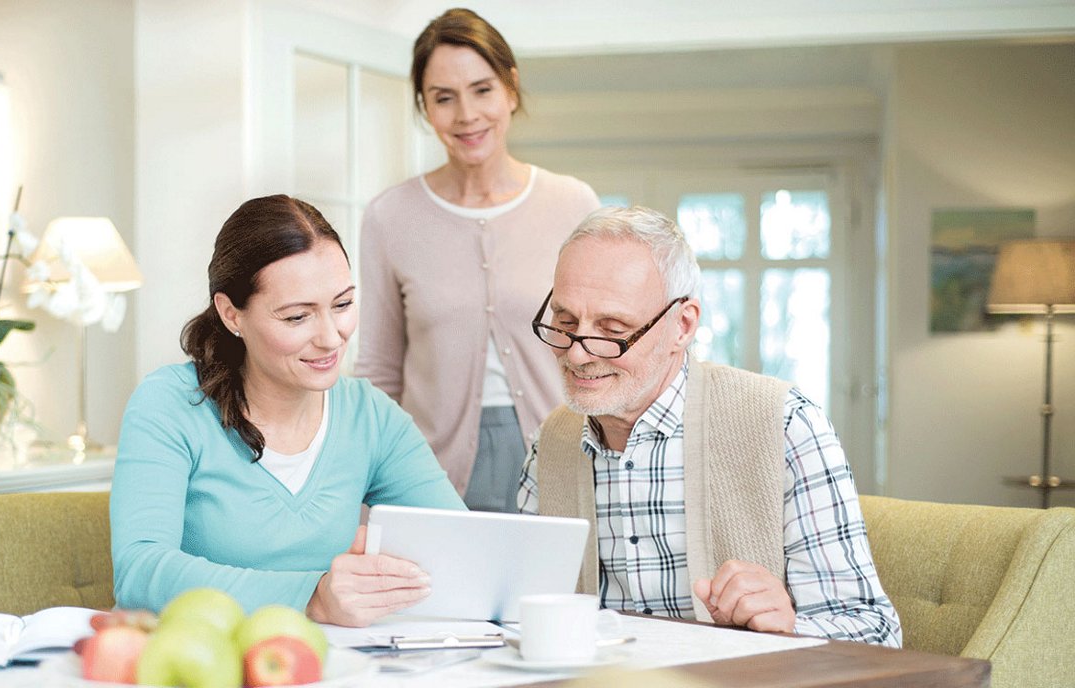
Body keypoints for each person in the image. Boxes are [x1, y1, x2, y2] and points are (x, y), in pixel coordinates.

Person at [519, 206, 902, 647]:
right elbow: (522, 613)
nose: (578, 354)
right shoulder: (551, 442)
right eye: (565, 322)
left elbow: (877, 635)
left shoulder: (784, 424)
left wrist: (788, 628)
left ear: (681, 326)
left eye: (612, 330)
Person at [111, 195, 465, 628]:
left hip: (327, 664)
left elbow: (461, 551)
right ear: (230, 314)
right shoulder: (170, 404)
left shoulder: (370, 417)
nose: (332, 338)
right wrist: (313, 597)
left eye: (343, 305)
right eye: (297, 317)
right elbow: (139, 571)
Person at [356, 8, 600, 513]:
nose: (466, 114)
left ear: (511, 88)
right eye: (444, 98)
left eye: (482, 89)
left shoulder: (572, 204)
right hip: (426, 468)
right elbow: (379, 371)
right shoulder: (389, 217)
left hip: (562, 454)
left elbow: (597, 344)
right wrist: (366, 483)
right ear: (425, 107)